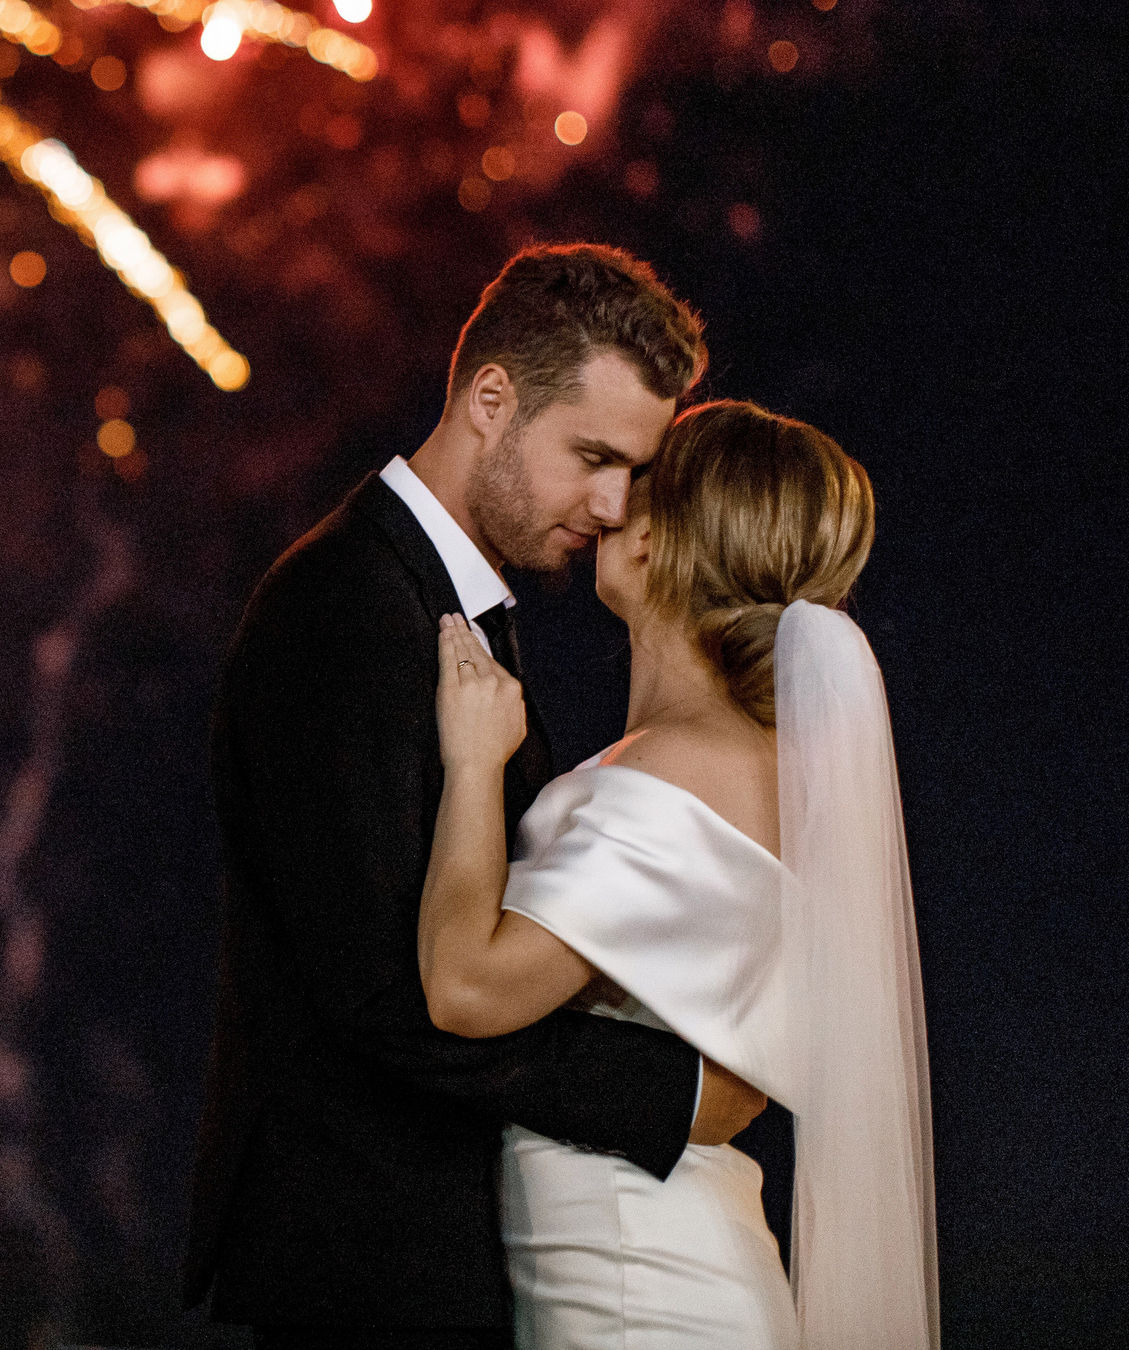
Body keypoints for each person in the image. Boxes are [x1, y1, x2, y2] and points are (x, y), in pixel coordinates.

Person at [184, 246, 768, 1350]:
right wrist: (677, 1095)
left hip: (434, 1242)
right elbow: (381, 996)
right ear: (491, 399)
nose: (609, 505)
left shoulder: (447, 607)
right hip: (367, 1251)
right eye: (592, 455)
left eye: (631, 473)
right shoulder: (341, 607)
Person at [423, 400, 936, 1348]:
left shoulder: (669, 774)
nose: (608, 504)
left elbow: (462, 985)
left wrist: (471, 764)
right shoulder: (773, 768)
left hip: (637, 1292)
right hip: (688, 1253)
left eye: (636, 484)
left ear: (663, 539)